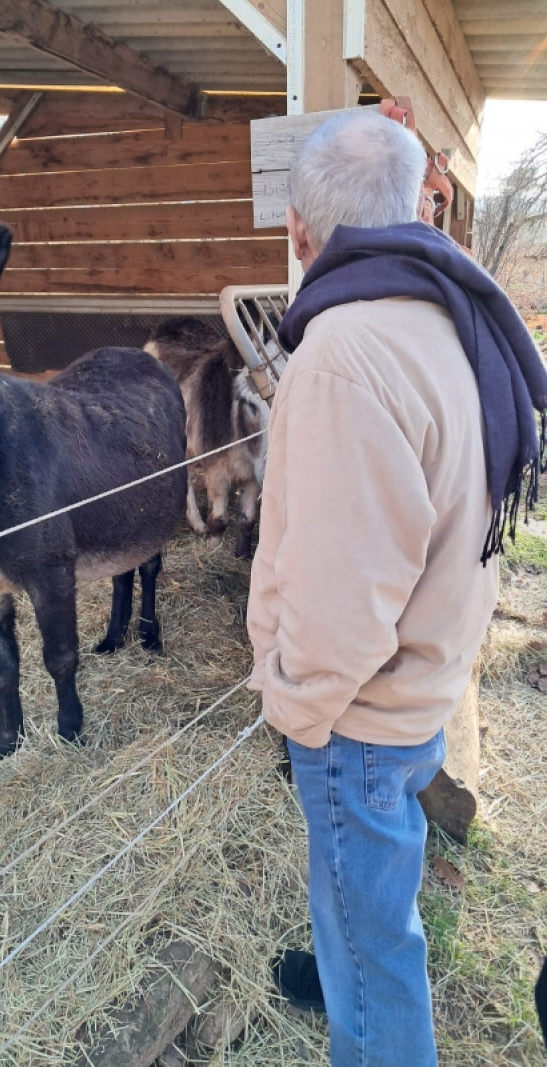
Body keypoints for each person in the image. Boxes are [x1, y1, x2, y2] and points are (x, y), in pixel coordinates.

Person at [246, 110, 547, 1066]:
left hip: (361, 723)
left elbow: (340, 599)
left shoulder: (341, 357)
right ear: (418, 208)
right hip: (420, 688)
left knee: (376, 963)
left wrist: (295, 708)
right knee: (369, 917)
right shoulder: (452, 314)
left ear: (299, 230)